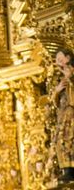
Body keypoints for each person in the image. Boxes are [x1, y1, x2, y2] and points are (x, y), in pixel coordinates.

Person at [53, 48, 74, 182]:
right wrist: (57, 90)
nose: (58, 60)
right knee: (62, 140)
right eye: (57, 59)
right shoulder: (58, 78)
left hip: (72, 114)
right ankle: (67, 168)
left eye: (60, 57)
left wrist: (70, 79)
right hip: (64, 114)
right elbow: (54, 103)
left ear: (68, 57)